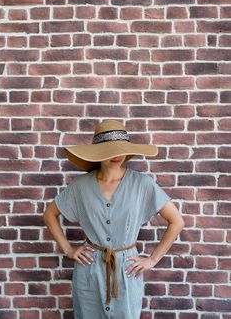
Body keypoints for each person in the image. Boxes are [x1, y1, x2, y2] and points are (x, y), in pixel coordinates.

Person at [43, 119, 185, 319]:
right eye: (109, 150)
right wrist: (68, 249)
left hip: (127, 271)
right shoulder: (80, 186)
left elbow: (176, 221)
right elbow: (50, 214)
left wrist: (153, 259)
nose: (117, 155)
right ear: (97, 153)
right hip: (89, 270)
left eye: (120, 149)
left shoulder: (142, 184)